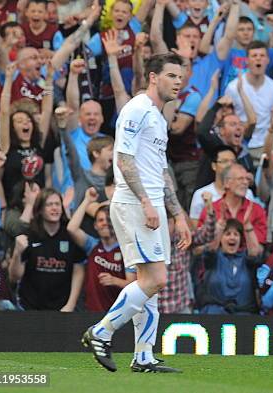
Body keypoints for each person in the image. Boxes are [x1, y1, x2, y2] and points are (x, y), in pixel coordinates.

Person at [81, 53, 192, 373]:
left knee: (150, 283)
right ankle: (101, 332)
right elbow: (124, 159)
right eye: (171, 76)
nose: (178, 82)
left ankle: (143, 355)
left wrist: (178, 215)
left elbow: (162, 171)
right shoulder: (137, 109)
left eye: (180, 77)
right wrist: (145, 201)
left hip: (153, 203)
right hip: (134, 204)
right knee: (155, 279)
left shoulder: (158, 116)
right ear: (153, 77)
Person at [8, 188, 86, 311]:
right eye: (49, 204)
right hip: (29, 307)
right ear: (40, 209)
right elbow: (14, 277)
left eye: (57, 204)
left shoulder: (70, 234)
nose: (54, 208)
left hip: (62, 308)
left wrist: (70, 304)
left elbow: (78, 270)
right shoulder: (29, 235)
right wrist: (17, 253)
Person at [67, 187, 135, 312]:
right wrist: (87, 200)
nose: (104, 223)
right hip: (89, 313)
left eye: (109, 220)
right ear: (95, 226)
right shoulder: (92, 245)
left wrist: (115, 281)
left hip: (117, 315)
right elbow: (71, 228)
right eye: (100, 220)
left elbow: (134, 286)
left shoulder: (127, 250)